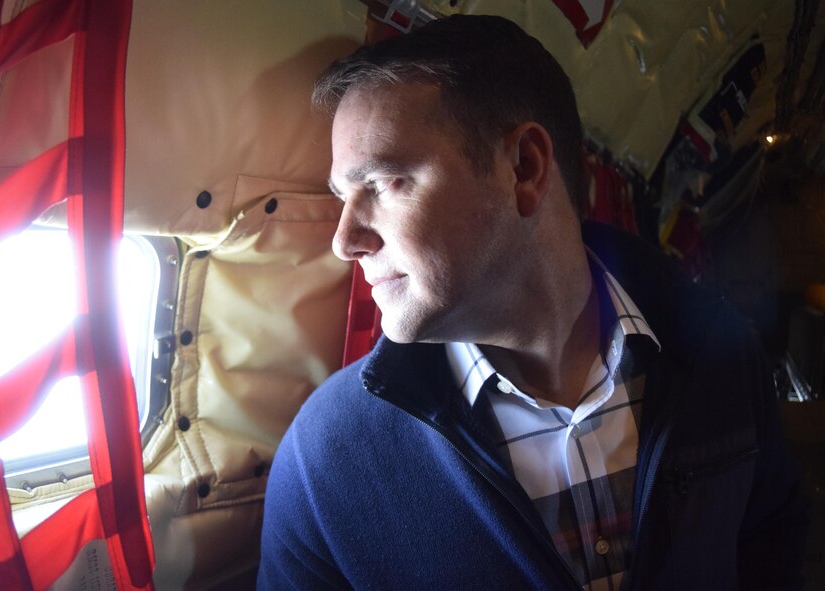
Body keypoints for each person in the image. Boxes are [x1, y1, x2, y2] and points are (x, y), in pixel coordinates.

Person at [257, 15, 807, 590]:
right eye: (343, 197)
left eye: (384, 182)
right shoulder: (325, 461)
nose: (344, 241)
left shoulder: (723, 357)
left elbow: (770, 538)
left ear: (524, 168)